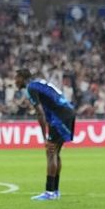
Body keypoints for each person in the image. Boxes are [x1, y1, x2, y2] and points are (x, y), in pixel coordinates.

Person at [14, 69, 76, 200]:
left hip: (59, 117)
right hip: (68, 112)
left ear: (22, 78)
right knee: (56, 152)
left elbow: (40, 113)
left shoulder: (30, 88)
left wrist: (44, 137)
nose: (15, 81)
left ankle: (49, 192)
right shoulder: (38, 83)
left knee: (50, 152)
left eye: (16, 78)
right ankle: (55, 191)